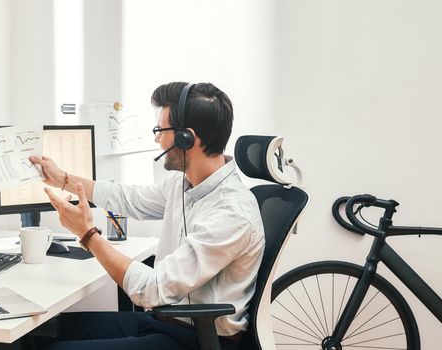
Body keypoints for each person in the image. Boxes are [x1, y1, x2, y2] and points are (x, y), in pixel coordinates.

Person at [26, 82, 264, 350]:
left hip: (201, 339)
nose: (156, 139)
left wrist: (88, 235)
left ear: (188, 138)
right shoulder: (184, 184)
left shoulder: (231, 212)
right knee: (39, 333)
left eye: (160, 131)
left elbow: (152, 290)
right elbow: (132, 200)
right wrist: (64, 180)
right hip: (165, 321)